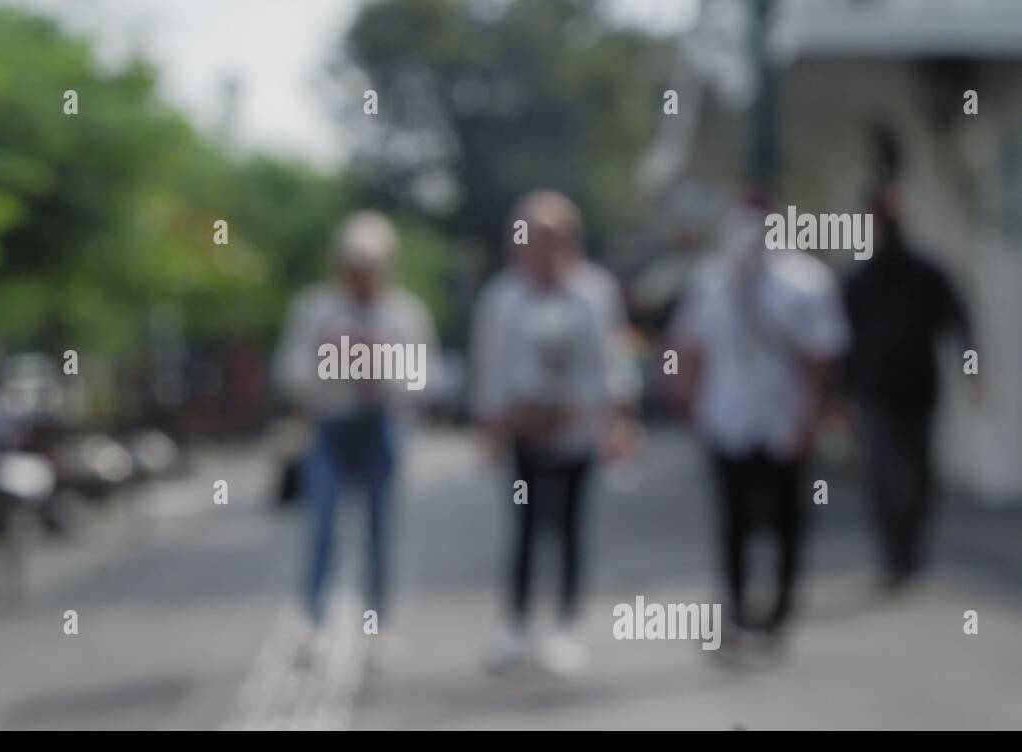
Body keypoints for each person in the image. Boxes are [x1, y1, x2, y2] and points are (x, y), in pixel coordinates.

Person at [669, 193, 849, 657]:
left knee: (789, 520)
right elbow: (691, 345)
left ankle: (779, 615)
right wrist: (686, 396)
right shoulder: (710, 281)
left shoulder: (807, 282)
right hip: (727, 418)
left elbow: (824, 356)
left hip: (784, 419)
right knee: (733, 520)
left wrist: (813, 416)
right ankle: (736, 609)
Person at [471, 190, 638, 677]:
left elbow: (615, 359)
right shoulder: (502, 297)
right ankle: (516, 627)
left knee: (569, 528)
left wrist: (621, 421)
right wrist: (492, 428)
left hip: (578, 432)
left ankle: (568, 624)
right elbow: (489, 366)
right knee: (523, 529)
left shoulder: (595, 291)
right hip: (525, 432)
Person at [274, 211, 438, 666]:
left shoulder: (405, 313)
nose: (361, 277)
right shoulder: (315, 309)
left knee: (380, 532)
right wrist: (335, 365)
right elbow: (290, 373)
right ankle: (311, 623)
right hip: (329, 429)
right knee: (322, 527)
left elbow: (427, 381)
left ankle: (377, 627)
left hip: (381, 429)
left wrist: (380, 373)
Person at [844, 186, 974, 590]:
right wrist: (839, 397)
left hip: (920, 390)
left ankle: (911, 552)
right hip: (875, 393)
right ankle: (894, 557)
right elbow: (840, 341)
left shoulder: (926, 272)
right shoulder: (859, 280)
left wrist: (974, 371)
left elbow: (960, 322)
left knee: (921, 477)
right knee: (882, 476)